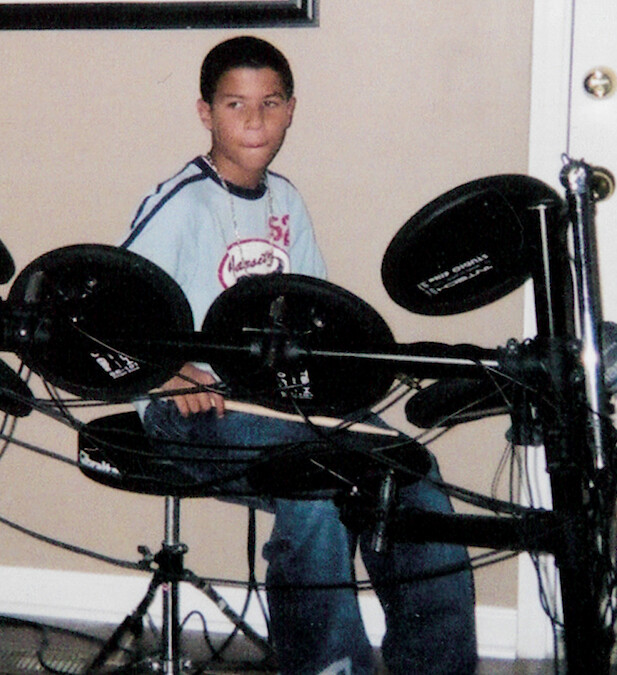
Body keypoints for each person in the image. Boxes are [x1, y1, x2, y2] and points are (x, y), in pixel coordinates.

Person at [118, 36, 478, 675]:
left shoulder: (288, 202)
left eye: (270, 103)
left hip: (278, 407)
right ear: (206, 113)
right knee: (314, 483)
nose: (254, 120)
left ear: (290, 110)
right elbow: (113, 310)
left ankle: (436, 663)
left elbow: (316, 320)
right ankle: (327, 664)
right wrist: (171, 370)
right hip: (189, 409)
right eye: (235, 104)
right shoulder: (181, 203)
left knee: (412, 468)